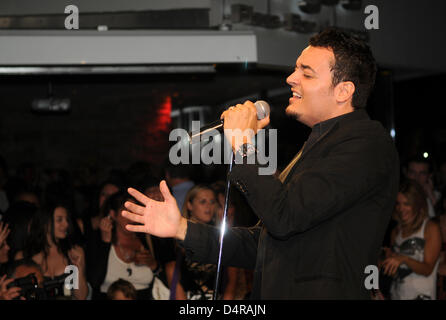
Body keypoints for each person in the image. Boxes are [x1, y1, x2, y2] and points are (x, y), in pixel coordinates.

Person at [122, 28, 400, 299]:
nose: (291, 78)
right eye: (295, 69)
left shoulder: (366, 143)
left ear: (343, 91)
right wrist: (181, 228)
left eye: (306, 73)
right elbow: (264, 244)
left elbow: (284, 217)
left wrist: (243, 145)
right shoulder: (317, 146)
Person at [381, 180, 441, 299]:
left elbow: (427, 269)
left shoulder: (430, 228)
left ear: (417, 204)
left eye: (407, 203)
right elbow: (394, 271)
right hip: (397, 295)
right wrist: (387, 259)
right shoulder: (396, 231)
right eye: (398, 203)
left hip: (422, 296)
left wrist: (403, 259)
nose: (401, 208)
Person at [16, 203, 90, 300]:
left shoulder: (74, 251)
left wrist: (78, 268)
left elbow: (81, 296)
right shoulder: (24, 256)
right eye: (59, 220)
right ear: (45, 223)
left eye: (67, 220)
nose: (66, 224)